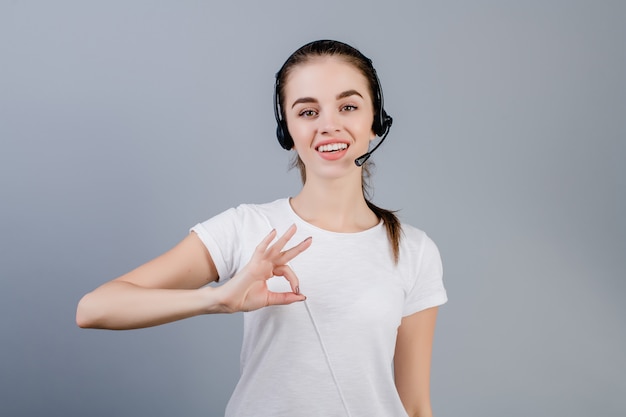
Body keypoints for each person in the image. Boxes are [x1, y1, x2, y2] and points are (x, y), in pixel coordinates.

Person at [76, 39, 447, 417]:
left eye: (348, 106)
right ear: (286, 132)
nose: (329, 125)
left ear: (375, 121)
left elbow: (415, 405)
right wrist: (219, 299)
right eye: (307, 112)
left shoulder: (414, 251)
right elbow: (94, 308)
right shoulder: (248, 228)